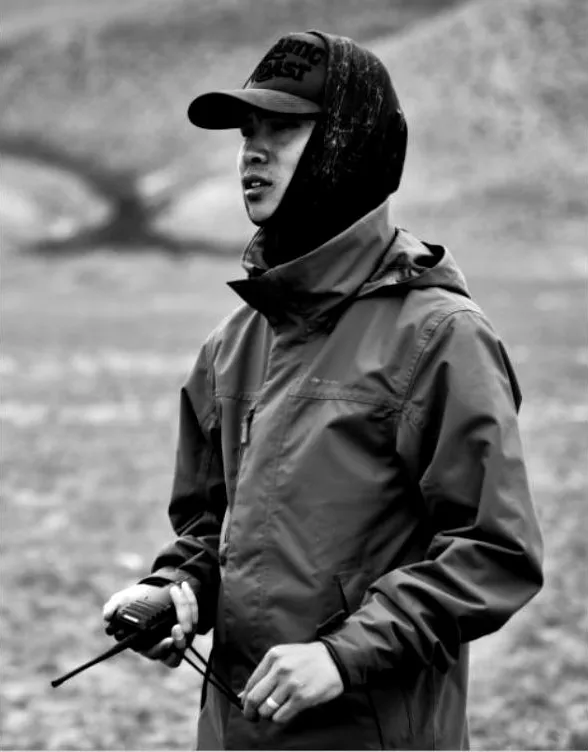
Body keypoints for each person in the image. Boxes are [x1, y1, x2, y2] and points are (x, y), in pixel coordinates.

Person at [103, 30, 543, 750]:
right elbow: (215, 528)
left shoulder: (439, 338)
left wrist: (343, 656)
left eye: (281, 129)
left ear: (351, 143)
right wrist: (177, 591)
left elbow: (493, 550)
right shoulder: (232, 345)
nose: (252, 151)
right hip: (234, 732)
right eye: (247, 132)